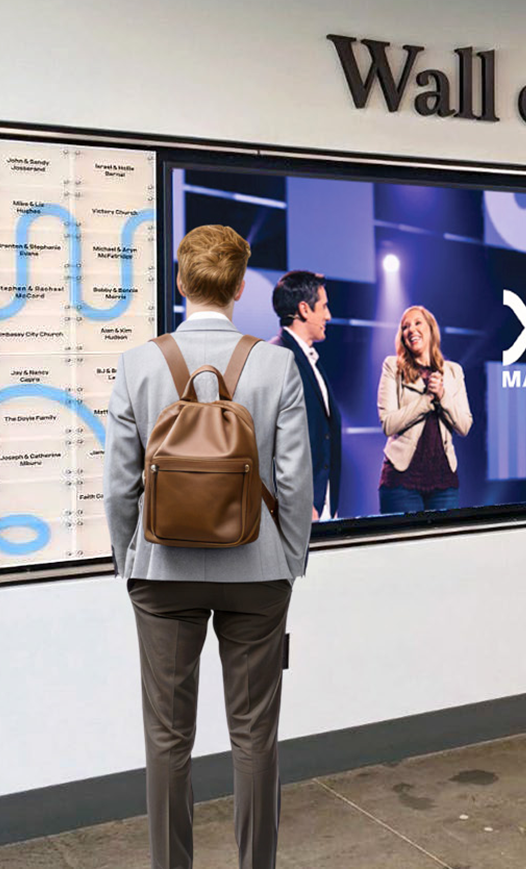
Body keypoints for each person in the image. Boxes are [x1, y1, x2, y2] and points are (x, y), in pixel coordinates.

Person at [104, 224, 314, 869]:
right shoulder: (275, 363)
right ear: (241, 286)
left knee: (167, 740)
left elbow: (120, 485)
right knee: (255, 737)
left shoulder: (140, 364)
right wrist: (290, 561)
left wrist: (130, 561)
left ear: (180, 281)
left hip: (162, 575)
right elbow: (294, 480)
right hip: (257, 574)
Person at [377, 305, 472, 514]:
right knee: (404, 547)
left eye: (417, 323)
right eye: (405, 327)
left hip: (444, 482)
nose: (411, 330)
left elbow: (464, 426)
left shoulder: (454, 371)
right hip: (402, 482)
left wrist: (442, 396)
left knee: (445, 547)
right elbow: (388, 424)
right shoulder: (393, 367)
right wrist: (428, 399)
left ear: (431, 328)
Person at [271, 270, 341, 521]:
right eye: (323, 306)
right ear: (304, 309)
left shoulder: (312, 360)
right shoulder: (277, 356)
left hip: (321, 507)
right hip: (298, 510)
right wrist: (297, 502)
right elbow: (270, 440)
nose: (328, 316)